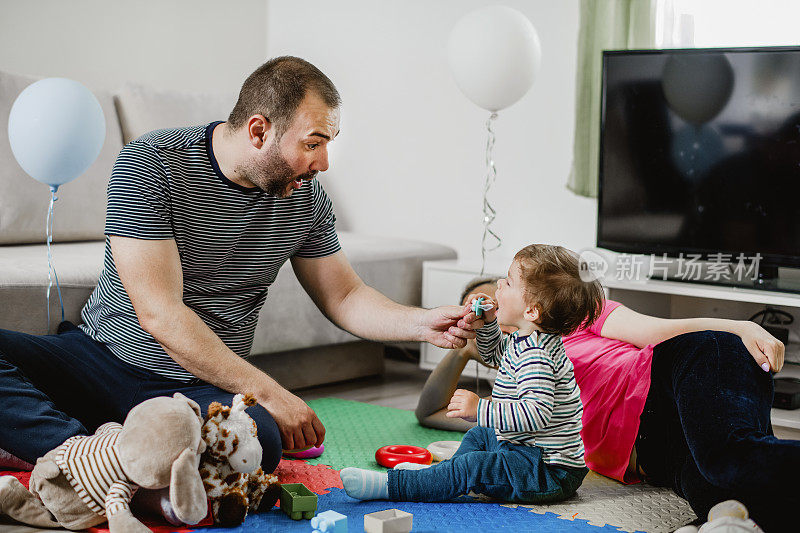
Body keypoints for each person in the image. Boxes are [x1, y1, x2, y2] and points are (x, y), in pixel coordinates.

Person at [0, 56, 484, 478]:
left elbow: (345, 296)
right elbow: (161, 314)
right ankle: (89, 454)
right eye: (313, 143)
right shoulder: (151, 162)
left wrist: (421, 323)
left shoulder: (306, 200)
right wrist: (271, 391)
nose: (325, 162)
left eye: (329, 143)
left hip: (202, 391)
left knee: (263, 448)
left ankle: (75, 451)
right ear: (259, 131)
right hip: (105, 360)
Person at [416, 270, 798, 531]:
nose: (482, 308)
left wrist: (740, 327)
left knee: (727, 458)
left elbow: (658, 332)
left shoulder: (578, 316)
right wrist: (464, 348)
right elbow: (430, 410)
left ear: (529, 302)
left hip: (670, 379)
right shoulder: (516, 398)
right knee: (723, 496)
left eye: (490, 297)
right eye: (471, 308)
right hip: (651, 454)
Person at [340, 244, 604, 504]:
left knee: (474, 464)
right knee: (479, 436)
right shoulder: (527, 339)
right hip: (525, 452)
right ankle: (441, 477)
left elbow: (535, 414)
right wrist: (488, 324)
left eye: (509, 283)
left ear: (531, 311)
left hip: (547, 472)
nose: (499, 283)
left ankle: (394, 486)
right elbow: (494, 355)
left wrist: (481, 409)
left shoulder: (537, 356)